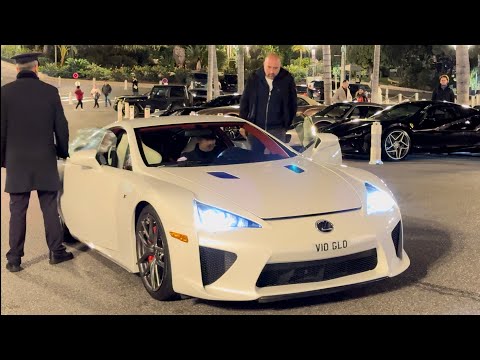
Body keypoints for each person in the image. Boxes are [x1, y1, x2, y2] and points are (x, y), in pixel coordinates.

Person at [1, 52, 73, 272]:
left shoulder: (4, 93)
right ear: (36, 68)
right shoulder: (50, 92)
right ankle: (56, 252)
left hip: (17, 159)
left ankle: (14, 259)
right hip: (44, 158)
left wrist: (4, 159)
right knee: (50, 207)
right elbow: (61, 126)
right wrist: (62, 151)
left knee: (17, 210)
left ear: (17, 69)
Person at [239, 53, 297, 148]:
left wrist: (286, 125)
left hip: (278, 129)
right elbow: (245, 101)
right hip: (256, 128)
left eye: (275, 68)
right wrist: (243, 124)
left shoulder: (287, 79)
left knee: (277, 159)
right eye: (269, 67)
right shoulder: (254, 77)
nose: (271, 71)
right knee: (256, 158)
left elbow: (292, 104)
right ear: (264, 65)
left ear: (280, 67)